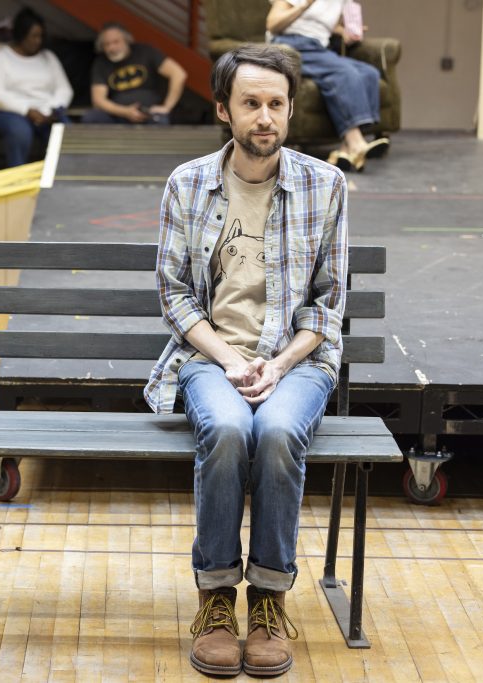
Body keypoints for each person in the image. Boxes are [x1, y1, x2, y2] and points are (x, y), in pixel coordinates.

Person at [145, 45, 347, 677]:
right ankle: (214, 599)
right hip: (210, 357)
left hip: (297, 360)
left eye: (276, 104)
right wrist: (231, 360)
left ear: (290, 109)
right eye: (251, 104)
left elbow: (328, 302)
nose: (265, 117)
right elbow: (175, 295)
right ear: (224, 110)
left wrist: (279, 363)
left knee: (281, 431)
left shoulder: (325, 184)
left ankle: (267, 598)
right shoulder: (189, 183)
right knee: (230, 430)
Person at [267, 0, 389, 172]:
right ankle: (356, 143)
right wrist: (304, 6)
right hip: (292, 44)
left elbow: (318, 24)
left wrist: (345, 32)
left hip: (319, 48)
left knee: (370, 74)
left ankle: (344, 152)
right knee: (345, 73)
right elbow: (272, 24)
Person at [0, 7, 73, 167]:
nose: (38, 40)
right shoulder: (2, 57)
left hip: (45, 111)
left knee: (65, 130)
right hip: (6, 111)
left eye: (41, 36)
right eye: (33, 36)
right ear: (21, 35)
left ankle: (63, 178)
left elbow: (64, 89)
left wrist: (50, 110)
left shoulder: (48, 57)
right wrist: (26, 110)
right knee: (20, 130)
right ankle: (17, 179)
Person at [83, 22, 187, 125]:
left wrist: (167, 107)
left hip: (149, 111)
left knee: (160, 120)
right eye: (107, 44)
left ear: (126, 40)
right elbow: (98, 100)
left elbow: (178, 74)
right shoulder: (101, 63)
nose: (112, 48)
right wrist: (125, 112)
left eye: (116, 42)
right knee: (92, 117)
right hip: (118, 113)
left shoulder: (146, 51)